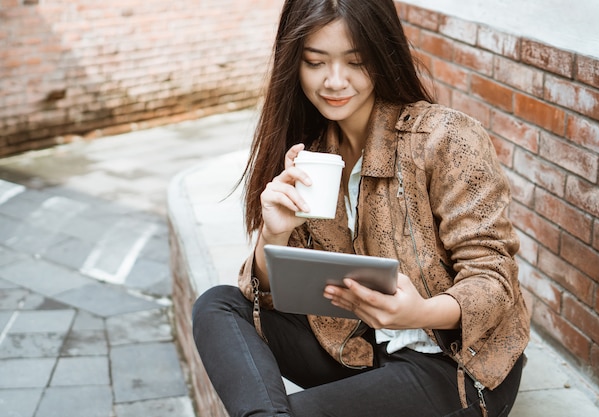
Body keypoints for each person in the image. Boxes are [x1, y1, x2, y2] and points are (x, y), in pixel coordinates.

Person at [192, 0, 530, 416]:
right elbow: (268, 301)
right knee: (219, 304)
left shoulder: (446, 138)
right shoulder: (312, 156)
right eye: (315, 62)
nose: (335, 81)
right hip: (360, 351)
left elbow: (494, 279)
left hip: (454, 367)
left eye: (356, 62)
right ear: (293, 64)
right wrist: (274, 234)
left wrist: (419, 312)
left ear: (383, 55)